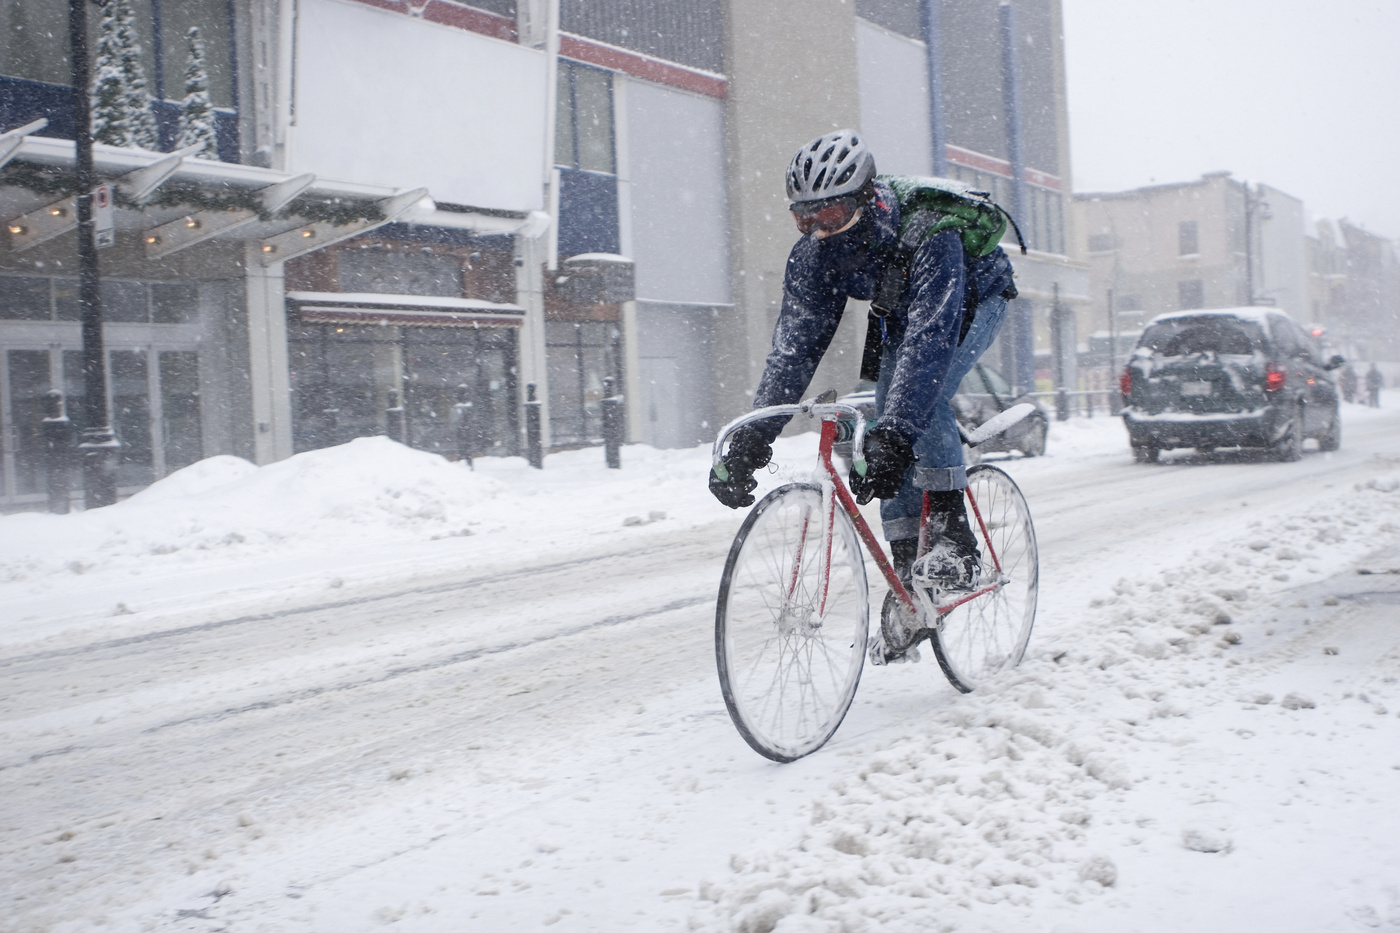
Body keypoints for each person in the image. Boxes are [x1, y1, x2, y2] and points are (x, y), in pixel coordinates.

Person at [708, 130, 1017, 656]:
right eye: (804, 219)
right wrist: (750, 441)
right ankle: (908, 586)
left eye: (829, 216)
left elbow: (929, 343)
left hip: (972, 295)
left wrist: (898, 436)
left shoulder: (928, 233)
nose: (818, 232)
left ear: (865, 200)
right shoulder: (812, 259)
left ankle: (952, 537)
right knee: (881, 417)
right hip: (903, 302)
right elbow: (792, 354)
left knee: (923, 397)